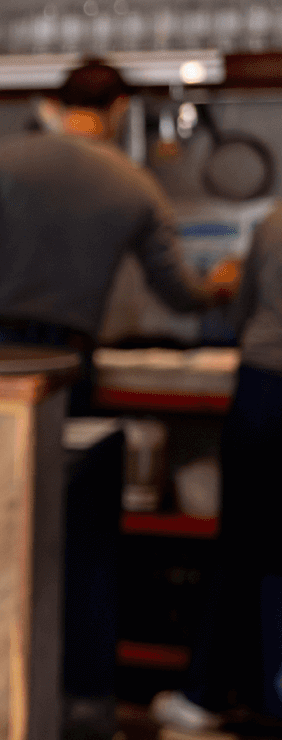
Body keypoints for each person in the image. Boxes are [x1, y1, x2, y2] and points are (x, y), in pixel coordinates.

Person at [0, 60, 232, 414]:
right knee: (60, 461)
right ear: (121, 106)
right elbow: (179, 293)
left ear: (56, 105)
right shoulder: (139, 187)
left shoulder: (5, 157)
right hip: (65, 357)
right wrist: (217, 286)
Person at [155, 206, 282, 733]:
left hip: (265, 387)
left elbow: (240, 316)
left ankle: (206, 694)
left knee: (243, 542)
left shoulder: (275, 223)